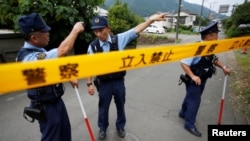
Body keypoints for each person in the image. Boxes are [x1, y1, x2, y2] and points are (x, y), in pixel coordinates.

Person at [86, 13, 167, 140]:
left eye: (100, 30)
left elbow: (135, 30)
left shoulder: (118, 39)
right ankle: (102, 127)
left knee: (120, 105)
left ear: (107, 28)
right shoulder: (93, 47)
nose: (98, 34)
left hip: (118, 81)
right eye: (95, 31)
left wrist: (150, 20)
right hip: (104, 83)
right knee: (103, 107)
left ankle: (120, 126)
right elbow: (89, 66)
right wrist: (89, 84)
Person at [16, 13, 84, 141]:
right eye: (45, 31)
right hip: (46, 107)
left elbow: (53, 67)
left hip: (56, 101)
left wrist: (68, 76)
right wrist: (75, 30)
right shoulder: (28, 58)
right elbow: (63, 51)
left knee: (65, 134)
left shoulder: (40, 51)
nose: (49, 33)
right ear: (34, 38)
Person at [178, 21, 231, 137]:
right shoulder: (196, 48)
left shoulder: (210, 47)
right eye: (216, 35)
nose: (217, 37)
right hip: (194, 80)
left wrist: (224, 67)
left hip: (203, 78)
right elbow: (183, 63)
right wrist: (193, 76)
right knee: (195, 100)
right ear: (209, 36)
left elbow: (213, 59)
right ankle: (189, 123)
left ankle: (183, 113)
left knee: (191, 97)